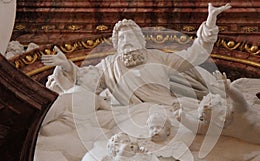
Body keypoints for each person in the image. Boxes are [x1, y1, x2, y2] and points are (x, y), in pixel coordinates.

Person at [42, 3, 231, 107]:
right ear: (117, 46)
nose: (127, 40)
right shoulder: (109, 65)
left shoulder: (158, 57)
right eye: (122, 38)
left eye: (131, 36)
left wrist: (209, 22)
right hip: (129, 115)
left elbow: (196, 54)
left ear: (142, 41)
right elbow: (87, 82)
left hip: (166, 107)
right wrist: (67, 66)